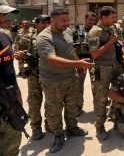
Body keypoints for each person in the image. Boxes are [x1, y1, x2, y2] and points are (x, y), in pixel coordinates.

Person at [36, 8, 93, 153]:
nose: (67, 23)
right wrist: (78, 64)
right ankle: (58, 135)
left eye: (68, 20)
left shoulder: (66, 32)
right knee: (54, 109)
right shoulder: (44, 37)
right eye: (63, 21)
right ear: (52, 20)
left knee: (71, 105)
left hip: (70, 77)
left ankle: (72, 127)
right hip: (52, 80)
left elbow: (71, 49)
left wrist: (77, 63)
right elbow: (52, 59)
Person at [87, 6, 124, 141]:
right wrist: (110, 42)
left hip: (115, 65)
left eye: (115, 17)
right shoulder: (95, 32)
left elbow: (118, 42)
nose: (115, 20)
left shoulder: (112, 28)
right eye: (112, 17)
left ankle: (116, 116)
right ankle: (100, 126)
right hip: (101, 68)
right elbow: (94, 53)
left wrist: (123, 53)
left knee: (121, 91)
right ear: (103, 17)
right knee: (101, 98)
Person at [15, 15, 50, 141]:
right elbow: (18, 55)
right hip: (34, 74)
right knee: (34, 102)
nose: (46, 25)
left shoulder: (54, 36)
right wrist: (21, 56)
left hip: (50, 74)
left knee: (51, 101)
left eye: (48, 22)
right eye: (43, 23)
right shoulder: (27, 38)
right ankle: (36, 128)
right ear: (37, 24)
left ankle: (50, 124)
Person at [0, 0, 23, 156]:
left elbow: (5, 64)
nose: (4, 18)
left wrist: (17, 92)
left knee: (11, 147)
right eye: (1, 14)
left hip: (8, 102)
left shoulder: (4, 36)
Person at [72, 11, 97, 116]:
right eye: (90, 19)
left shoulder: (96, 31)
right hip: (81, 60)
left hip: (94, 60)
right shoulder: (76, 31)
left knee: (96, 84)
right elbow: (71, 47)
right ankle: (78, 107)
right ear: (85, 19)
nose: (92, 22)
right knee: (78, 85)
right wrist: (77, 62)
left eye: (93, 20)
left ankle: (98, 107)